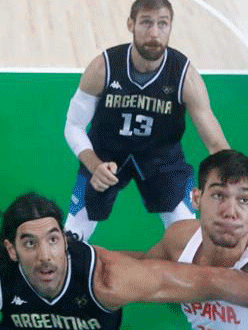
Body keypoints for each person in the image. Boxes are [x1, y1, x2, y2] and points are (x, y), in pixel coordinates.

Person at [0, 192, 248, 330]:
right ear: (11, 251)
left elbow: (215, 281)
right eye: (29, 244)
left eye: (53, 240)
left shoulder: (107, 280)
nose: (45, 256)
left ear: (64, 240)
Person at [63, 0, 230, 241]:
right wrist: (93, 164)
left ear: (171, 27)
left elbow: (216, 145)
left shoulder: (185, 76)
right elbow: (73, 125)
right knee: (71, 241)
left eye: (162, 24)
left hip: (161, 160)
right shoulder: (103, 67)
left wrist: (229, 188)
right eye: (146, 23)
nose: (154, 33)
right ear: (131, 24)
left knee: (189, 244)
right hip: (104, 158)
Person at [142, 150, 248, 329]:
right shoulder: (181, 240)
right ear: (196, 198)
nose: (230, 212)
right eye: (219, 195)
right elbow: (142, 267)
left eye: (244, 200)